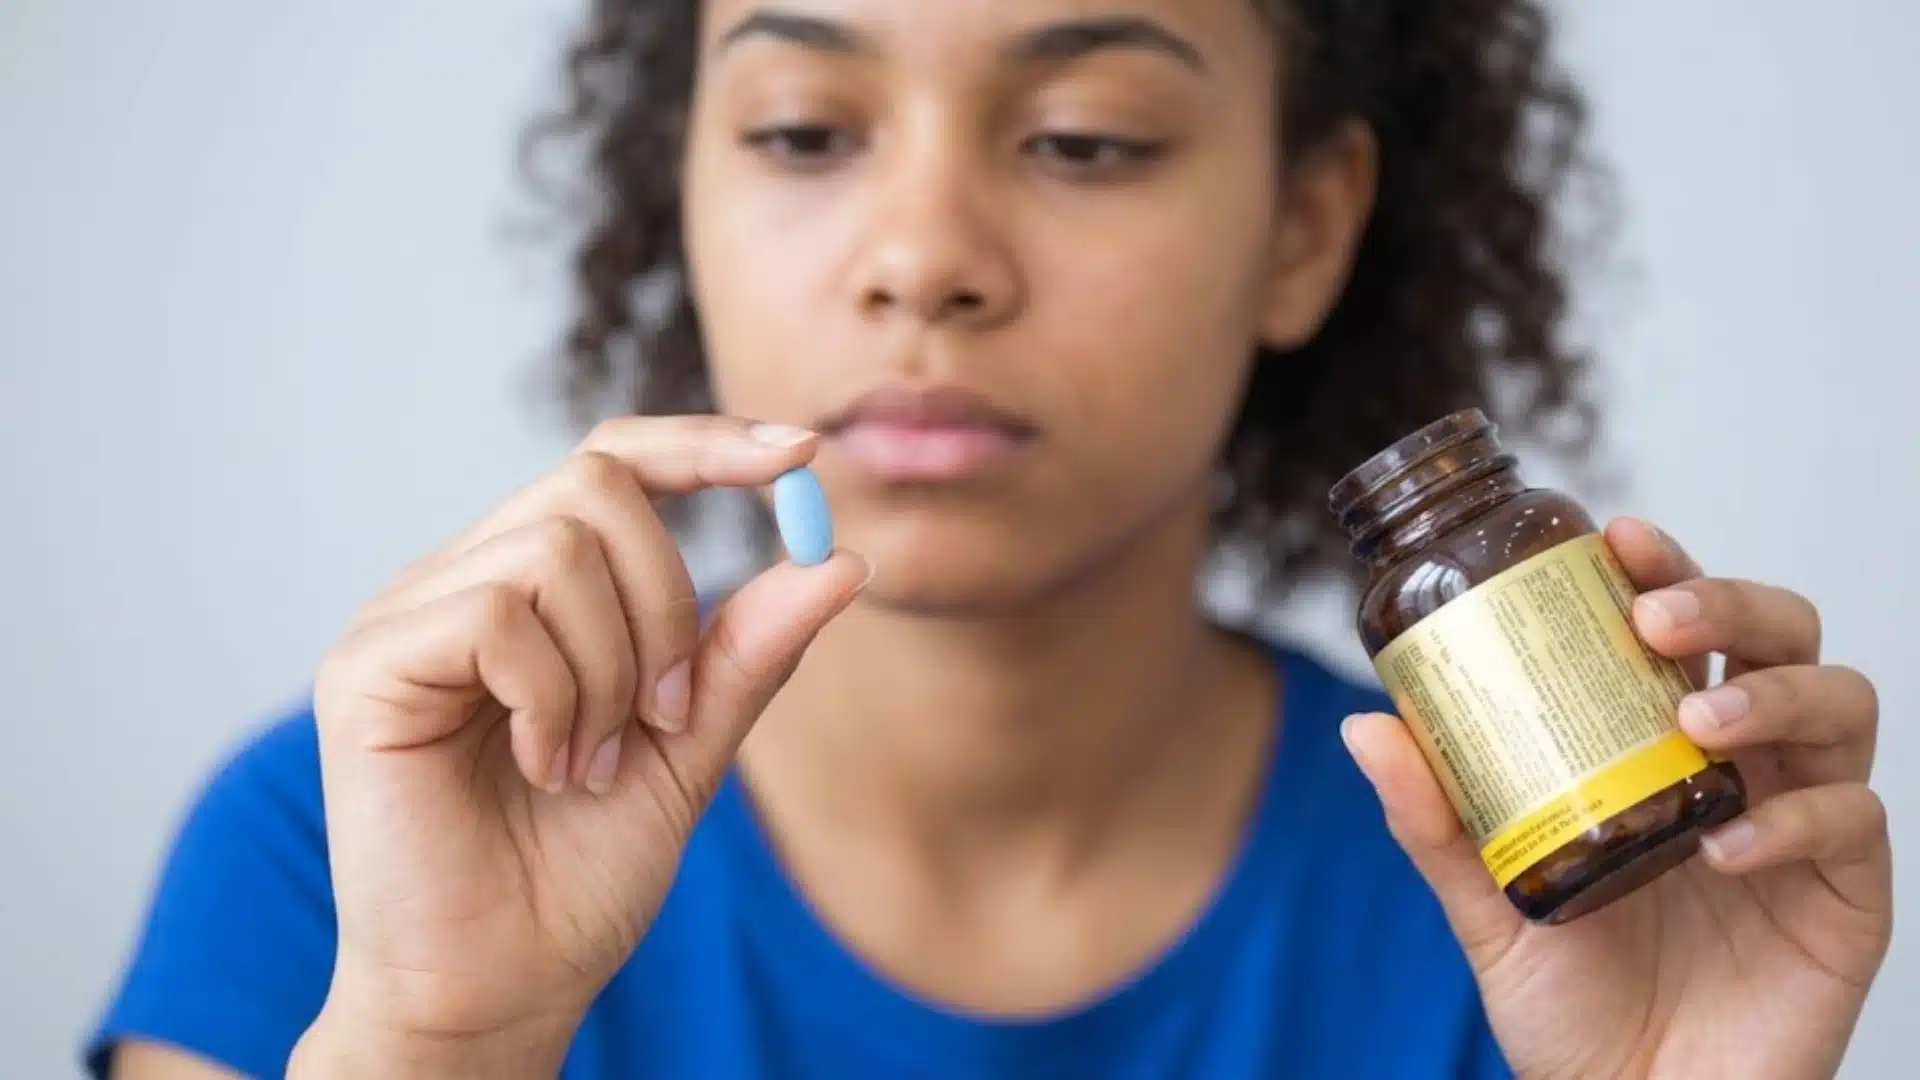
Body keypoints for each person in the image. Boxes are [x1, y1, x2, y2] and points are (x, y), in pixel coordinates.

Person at [88, 1, 1893, 1077]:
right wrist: (432, 1048)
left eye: (1087, 140)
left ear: (1303, 227)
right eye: (804, 131)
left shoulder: (1552, 907)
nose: (923, 251)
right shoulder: (349, 853)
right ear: (684, 196)